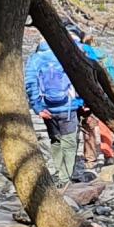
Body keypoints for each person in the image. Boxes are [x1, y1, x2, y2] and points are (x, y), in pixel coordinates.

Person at [23, 31, 87, 183]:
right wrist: (83, 102)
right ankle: (65, 177)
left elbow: (30, 84)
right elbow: (83, 79)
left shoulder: (36, 58)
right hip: (69, 107)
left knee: (55, 140)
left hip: (47, 108)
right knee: (70, 143)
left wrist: (37, 108)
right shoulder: (70, 54)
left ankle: (59, 172)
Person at [74, 28, 114, 169]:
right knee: (106, 124)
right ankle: (108, 154)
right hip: (105, 94)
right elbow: (113, 76)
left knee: (89, 126)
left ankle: (90, 159)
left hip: (87, 94)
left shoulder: (79, 53)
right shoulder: (104, 55)